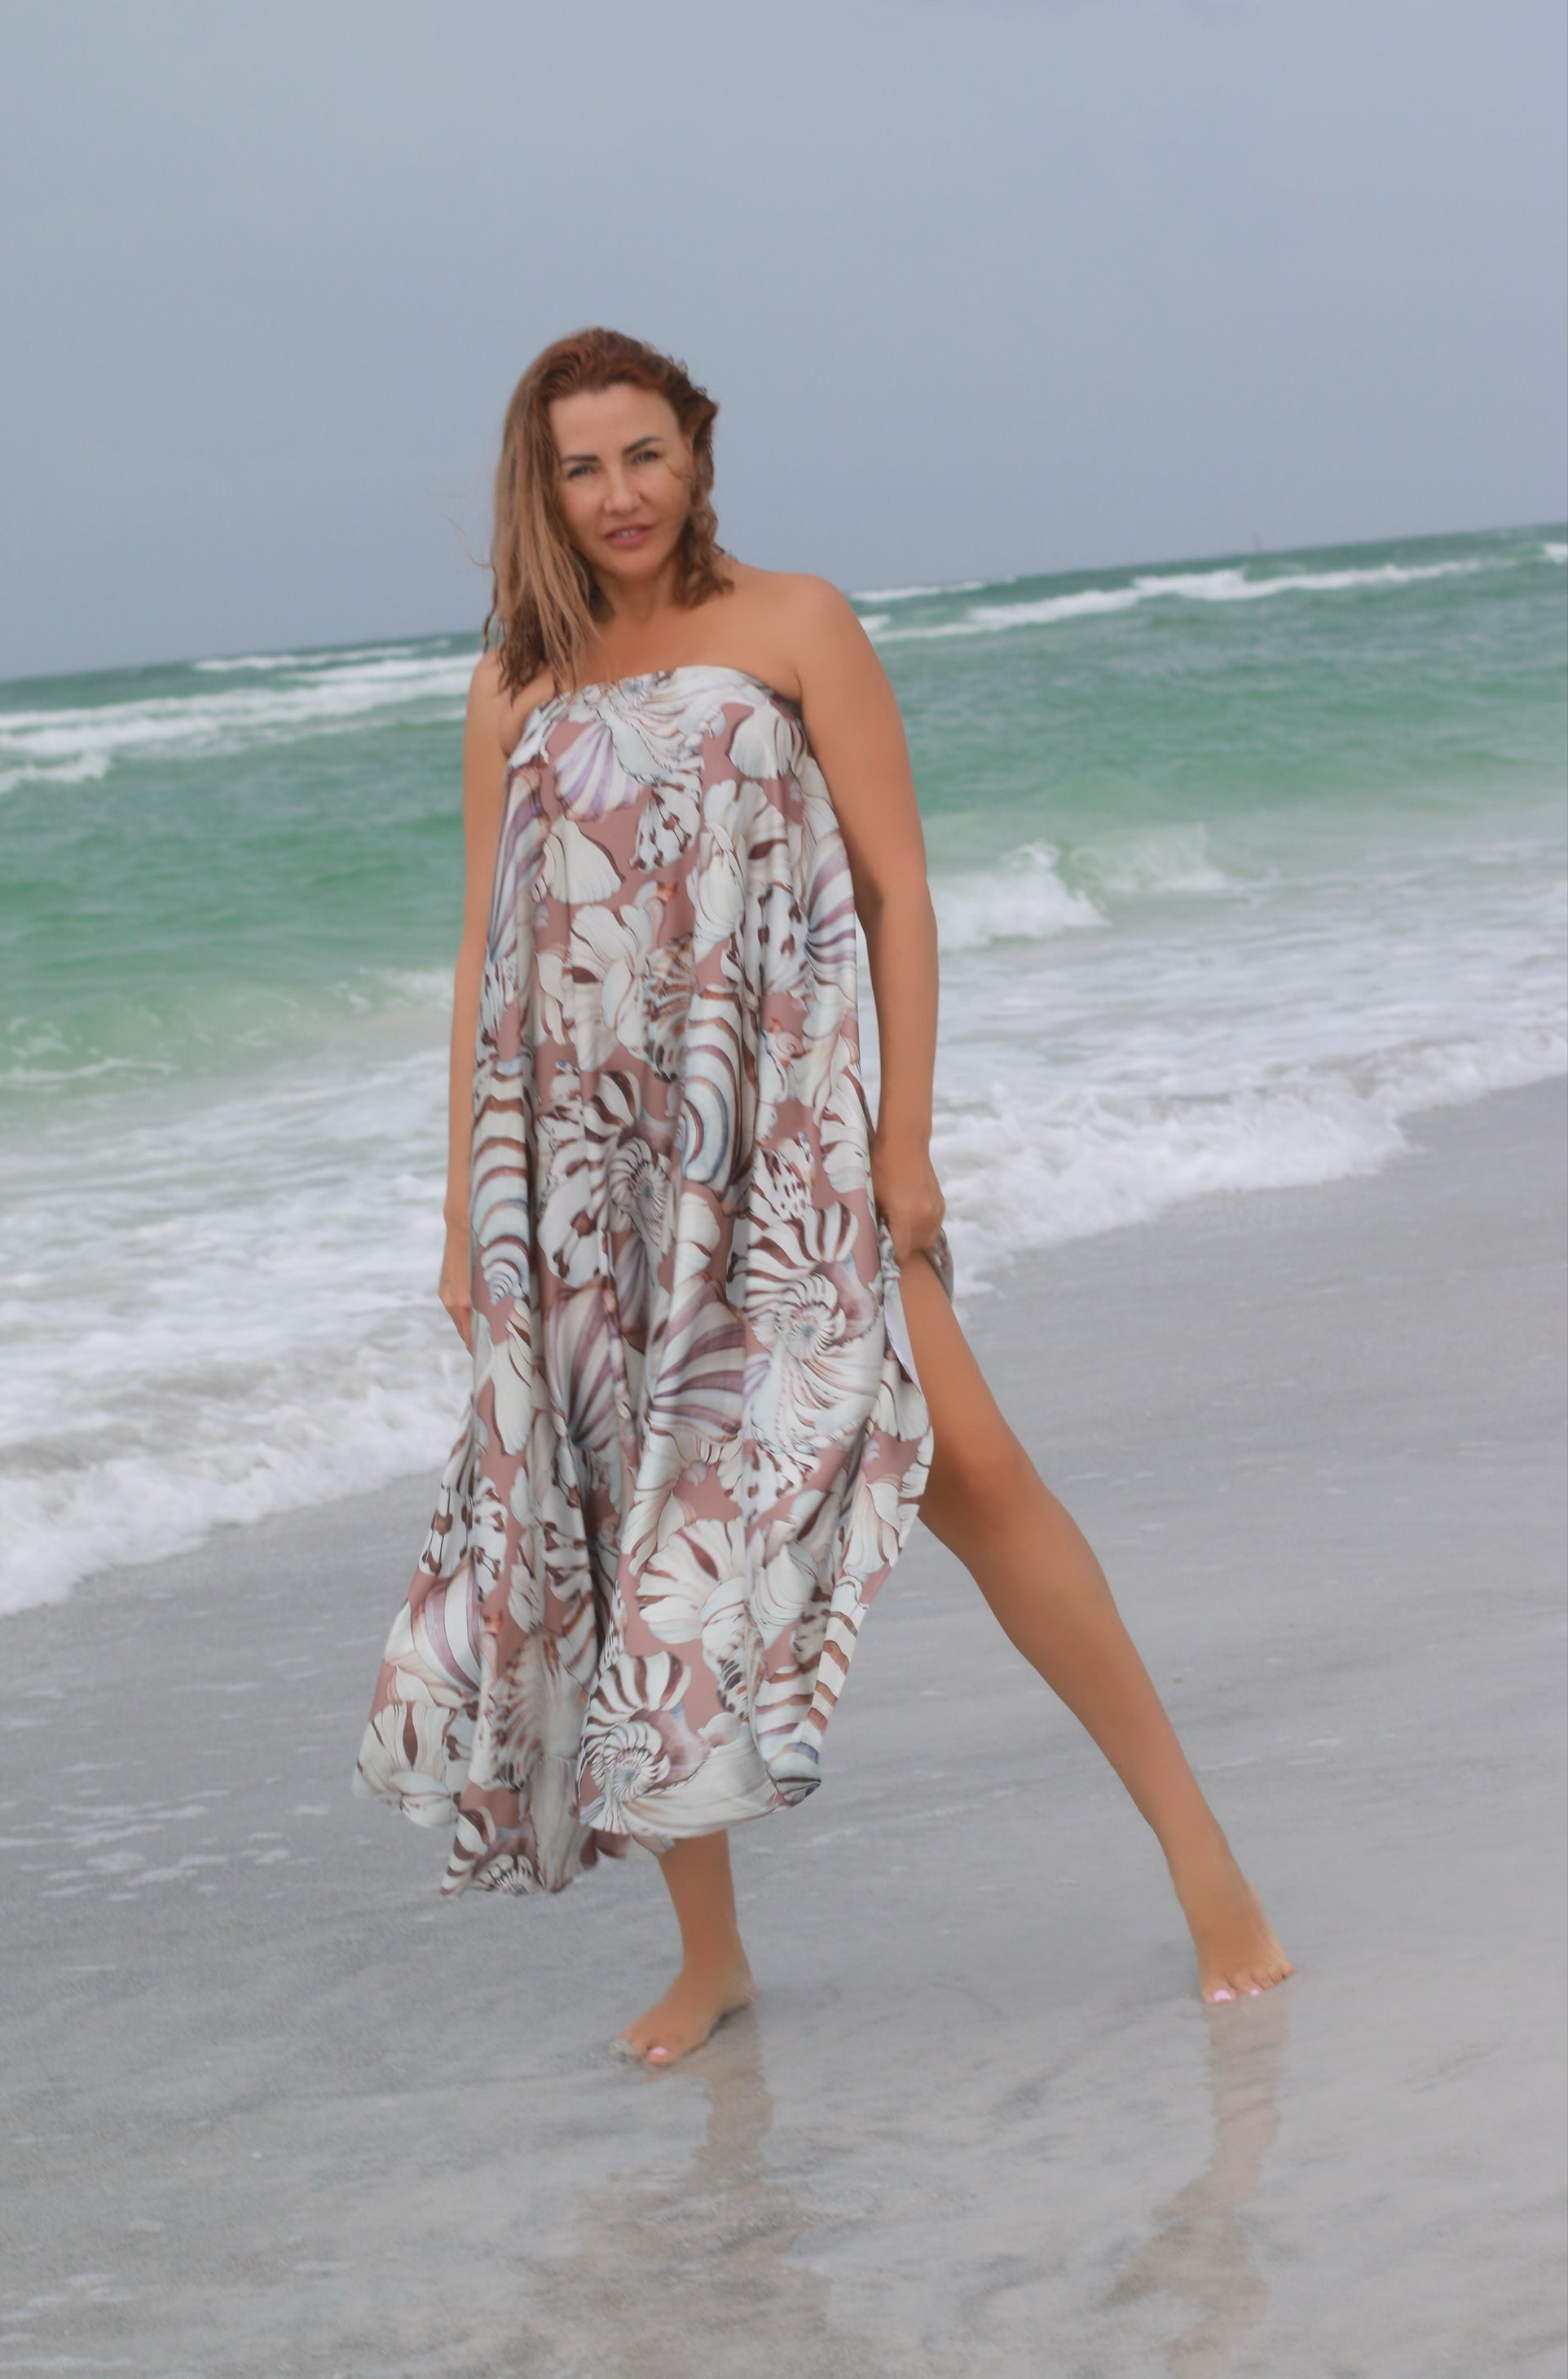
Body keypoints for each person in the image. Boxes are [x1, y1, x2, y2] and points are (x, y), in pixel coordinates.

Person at [354, 328, 1293, 2067]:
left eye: (644, 453)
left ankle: (1201, 1858)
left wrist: (902, 1141)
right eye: (580, 467)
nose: (618, 494)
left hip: (786, 1147)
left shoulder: (795, 624)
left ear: (697, 455)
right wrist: (464, 1213)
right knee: (634, 1542)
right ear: (538, 489)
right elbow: (488, 962)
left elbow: (896, 888)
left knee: (977, 1472)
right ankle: (710, 1956)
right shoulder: (509, 688)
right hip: (587, 1183)